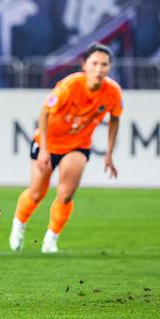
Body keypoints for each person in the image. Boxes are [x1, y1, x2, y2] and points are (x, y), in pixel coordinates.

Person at [9, 43, 122, 253]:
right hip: (48, 143)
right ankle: (19, 223)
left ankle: (50, 240)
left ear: (109, 67)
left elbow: (115, 118)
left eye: (104, 65)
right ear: (84, 65)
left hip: (78, 145)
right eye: (94, 63)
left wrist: (109, 153)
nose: (99, 69)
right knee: (36, 194)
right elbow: (44, 112)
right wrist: (44, 149)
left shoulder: (113, 92)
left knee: (66, 193)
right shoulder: (69, 86)